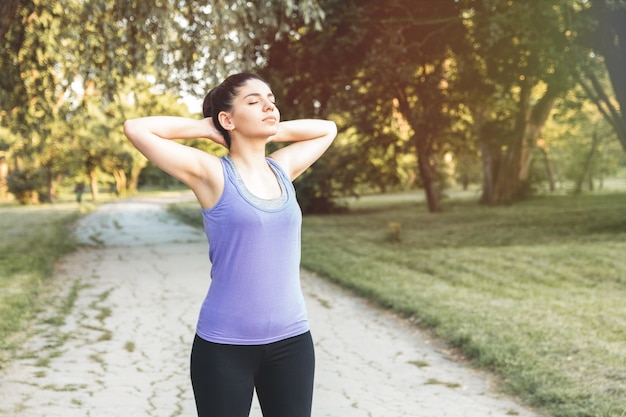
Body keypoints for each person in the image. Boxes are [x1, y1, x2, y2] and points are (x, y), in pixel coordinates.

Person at [123, 72, 337, 417]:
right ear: (227, 118)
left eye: (271, 100)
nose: (269, 105)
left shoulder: (281, 168)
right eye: (253, 102)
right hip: (224, 347)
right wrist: (210, 129)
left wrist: (268, 128)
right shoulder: (211, 173)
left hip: (292, 342)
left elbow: (328, 128)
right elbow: (136, 128)